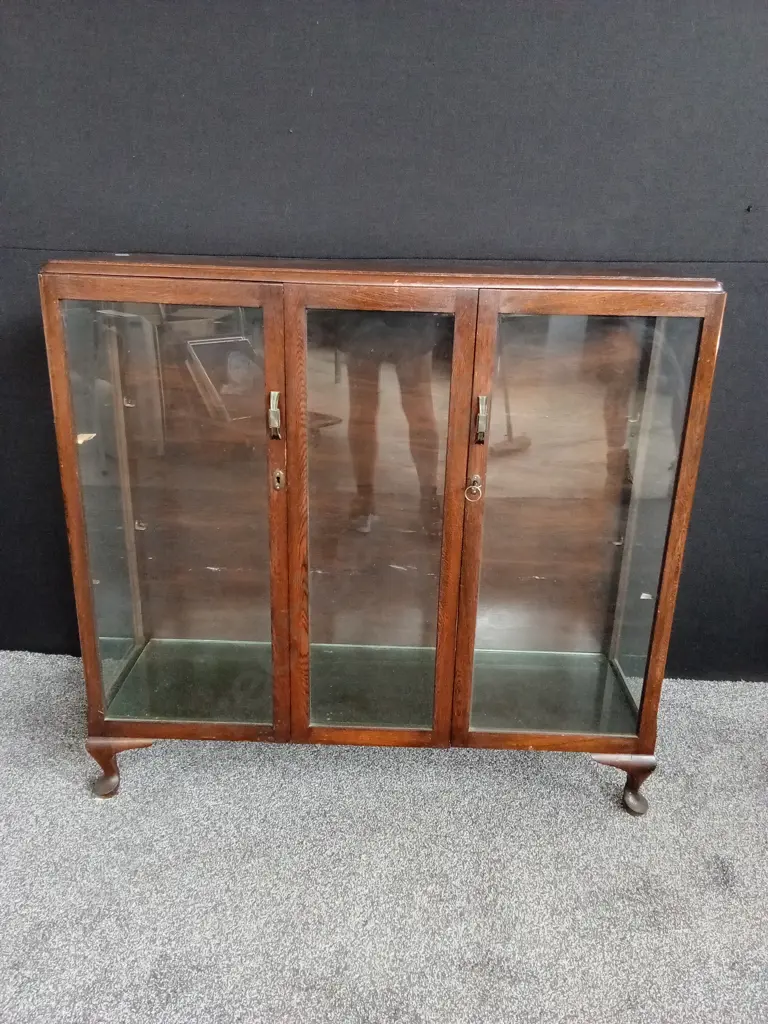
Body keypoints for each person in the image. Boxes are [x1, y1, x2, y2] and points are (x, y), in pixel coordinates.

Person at [330, 311, 442, 536]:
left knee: (418, 409)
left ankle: (428, 498)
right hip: (366, 307)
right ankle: (365, 498)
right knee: (364, 409)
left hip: (409, 305)